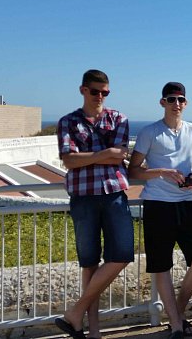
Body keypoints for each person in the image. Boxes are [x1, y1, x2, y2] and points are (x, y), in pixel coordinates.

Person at [55, 69, 134, 339]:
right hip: (83, 197)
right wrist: (106, 153)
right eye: (95, 91)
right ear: (83, 90)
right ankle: (93, 331)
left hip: (114, 194)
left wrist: (88, 157)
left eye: (105, 92)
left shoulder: (118, 119)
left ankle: (75, 313)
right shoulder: (68, 122)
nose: (100, 96)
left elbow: (119, 156)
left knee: (122, 254)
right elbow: (69, 160)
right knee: (89, 263)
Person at [127, 82, 192, 339]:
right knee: (161, 264)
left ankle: (178, 312)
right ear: (162, 102)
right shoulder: (149, 132)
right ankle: (176, 325)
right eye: (171, 99)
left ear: (186, 103)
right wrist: (161, 172)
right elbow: (133, 170)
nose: (177, 104)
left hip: (186, 203)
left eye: (181, 99)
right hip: (158, 205)